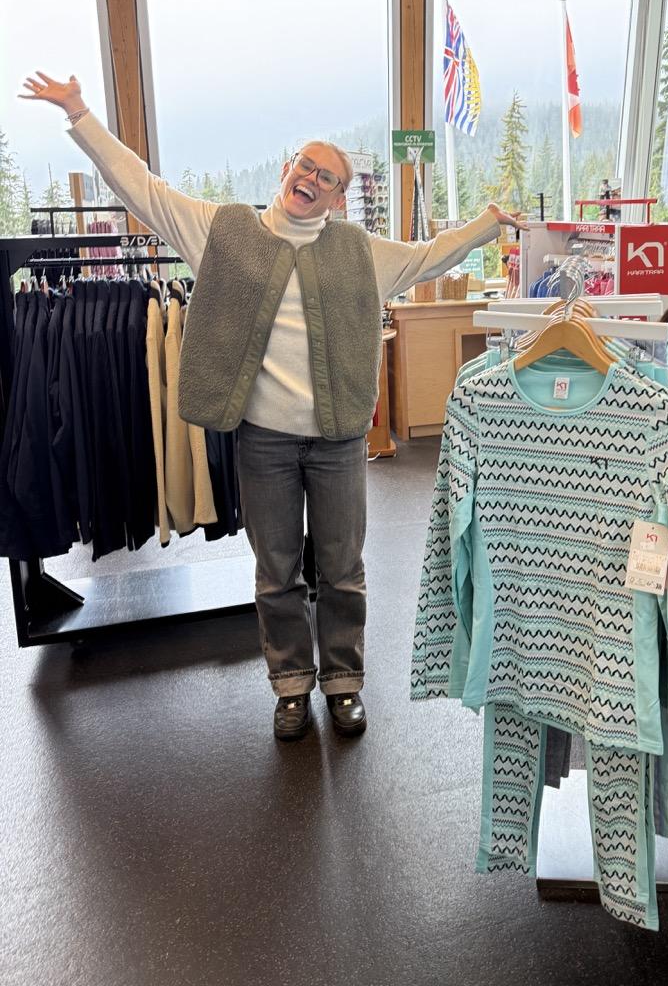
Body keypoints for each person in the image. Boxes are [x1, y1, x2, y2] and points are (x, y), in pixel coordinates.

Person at [20, 72, 525, 741]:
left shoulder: (359, 251)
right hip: (263, 441)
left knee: (342, 569)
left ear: (339, 198)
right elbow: (143, 189)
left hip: (338, 442)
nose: (310, 178)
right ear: (288, 169)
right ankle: (290, 685)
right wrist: (80, 113)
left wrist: (486, 225)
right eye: (304, 165)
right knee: (276, 571)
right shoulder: (224, 233)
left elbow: (429, 257)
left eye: (327, 176)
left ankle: (343, 681)